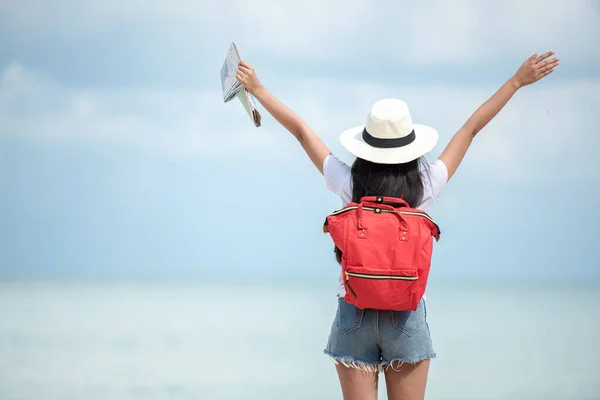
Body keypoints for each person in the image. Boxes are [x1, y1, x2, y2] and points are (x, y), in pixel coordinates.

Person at [236, 51, 559, 400]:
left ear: (365, 145)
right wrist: (515, 81)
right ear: (411, 145)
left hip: (353, 316)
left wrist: (258, 88)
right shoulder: (426, 184)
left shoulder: (348, 184)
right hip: (406, 320)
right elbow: (471, 129)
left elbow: (301, 132)